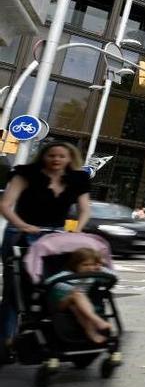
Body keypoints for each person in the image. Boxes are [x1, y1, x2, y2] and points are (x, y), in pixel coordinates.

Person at [0, 142, 91, 361]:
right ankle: (5, 342)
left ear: (70, 159)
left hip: (54, 237)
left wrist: (77, 230)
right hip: (22, 233)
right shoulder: (26, 174)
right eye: (52, 155)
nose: (56, 160)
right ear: (44, 156)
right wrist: (22, 225)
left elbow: (85, 209)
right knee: (16, 292)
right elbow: (5, 204)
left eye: (62, 156)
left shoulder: (77, 179)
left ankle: (50, 337)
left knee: (53, 287)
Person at [45, 247, 113, 344]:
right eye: (85, 265)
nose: (90, 268)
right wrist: (66, 287)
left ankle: (91, 333)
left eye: (93, 265)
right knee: (77, 294)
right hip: (60, 302)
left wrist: (101, 268)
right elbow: (48, 282)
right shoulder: (66, 274)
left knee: (76, 306)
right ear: (76, 265)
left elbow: (112, 277)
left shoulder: (92, 276)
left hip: (78, 303)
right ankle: (96, 320)